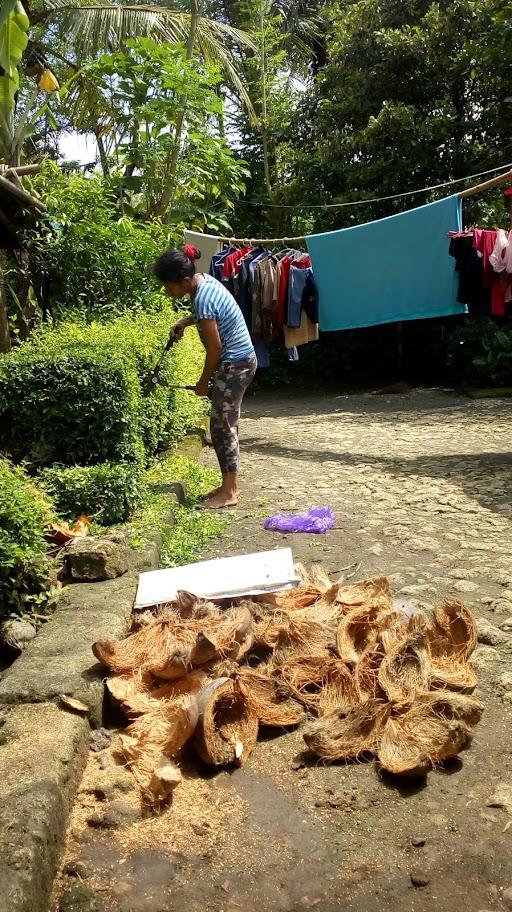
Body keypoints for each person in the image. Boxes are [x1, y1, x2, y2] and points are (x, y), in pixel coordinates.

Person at [152, 245, 257, 510]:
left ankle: (230, 492)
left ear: (184, 280)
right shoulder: (204, 282)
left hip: (235, 364)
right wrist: (185, 322)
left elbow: (215, 349)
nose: (168, 291)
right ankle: (227, 485)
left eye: (168, 286)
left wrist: (202, 382)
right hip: (240, 361)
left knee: (222, 427)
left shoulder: (202, 298)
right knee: (224, 423)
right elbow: (209, 314)